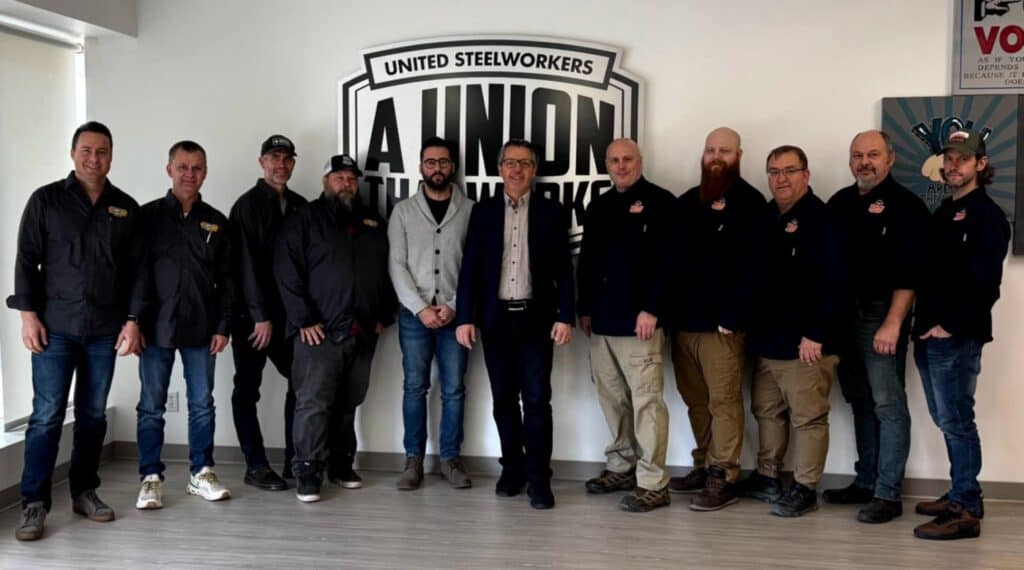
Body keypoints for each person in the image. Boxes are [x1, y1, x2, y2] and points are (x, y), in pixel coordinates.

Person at [10, 121, 145, 541]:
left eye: (102, 151)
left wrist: (133, 320)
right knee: (47, 415)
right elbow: (25, 261)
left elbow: (137, 272)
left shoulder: (125, 207)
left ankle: (85, 492)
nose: (94, 159)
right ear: (73, 154)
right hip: (55, 329)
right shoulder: (46, 201)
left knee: (91, 415)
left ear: (111, 156)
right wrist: (27, 315)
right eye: (86, 150)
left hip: (104, 330)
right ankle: (33, 503)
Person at [455, 139, 574, 510]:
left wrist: (565, 315)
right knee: (503, 400)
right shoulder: (483, 212)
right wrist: (464, 318)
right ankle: (513, 469)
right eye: (510, 162)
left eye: (524, 163)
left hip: (537, 321)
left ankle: (539, 478)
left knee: (537, 400)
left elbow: (563, 272)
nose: (517, 169)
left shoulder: (552, 212)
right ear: (500, 168)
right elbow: (470, 269)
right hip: (495, 321)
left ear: (534, 170)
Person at [275, 154, 396, 502]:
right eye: (339, 177)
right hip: (320, 333)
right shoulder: (304, 219)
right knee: (313, 403)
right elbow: (287, 272)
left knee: (349, 402)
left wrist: (382, 315)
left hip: (362, 331)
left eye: (351, 179)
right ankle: (308, 470)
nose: (346, 184)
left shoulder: (372, 221)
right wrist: (304, 320)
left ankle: (341, 464)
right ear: (326, 181)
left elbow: (389, 269)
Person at [824, 130, 929, 523]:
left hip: (881, 316)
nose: (864, 162)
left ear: (891, 158)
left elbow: (910, 275)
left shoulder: (907, 206)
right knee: (861, 403)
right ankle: (866, 481)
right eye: (857, 155)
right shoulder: (840, 202)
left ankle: (888, 493)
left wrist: (893, 323)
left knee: (888, 405)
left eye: (872, 154)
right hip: (844, 318)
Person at [911, 131, 1010, 540]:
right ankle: (962, 491)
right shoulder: (942, 213)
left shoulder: (987, 216)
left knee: (956, 421)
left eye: (963, 160)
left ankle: (965, 509)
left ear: (980, 165)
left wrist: (949, 324)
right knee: (945, 417)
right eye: (949, 159)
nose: (954, 166)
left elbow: (986, 285)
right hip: (928, 335)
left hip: (955, 336)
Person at [738, 145, 845, 518]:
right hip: (768, 340)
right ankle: (767, 476)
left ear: (806, 175)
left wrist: (816, 333)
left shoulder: (823, 220)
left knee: (808, 417)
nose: (780, 179)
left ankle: (805, 487)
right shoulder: (765, 217)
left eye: (789, 171)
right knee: (766, 411)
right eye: (773, 171)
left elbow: (833, 283)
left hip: (806, 343)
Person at [668, 127, 766, 511]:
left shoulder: (752, 203)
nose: (716, 156)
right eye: (710, 149)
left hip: (723, 327)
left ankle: (723, 475)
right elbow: (671, 264)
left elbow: (754, 268)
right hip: (685, 325)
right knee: (696, 401)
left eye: (724, 150)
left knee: (724, 403)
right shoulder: (688, 202)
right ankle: (704, 464)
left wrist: (734, 315)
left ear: (739, 154)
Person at [134, 140, 233, 510]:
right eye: (183, 167)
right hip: (154, 328)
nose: (190, 174)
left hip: (202, 329)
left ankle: (201, 472)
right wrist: (134, 322)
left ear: (205, 172)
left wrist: (223, 326)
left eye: (197, 168)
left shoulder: (217, 221)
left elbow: (228, 280)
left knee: (202, 404)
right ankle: (150, 478)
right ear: (169, 169)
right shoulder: (146, 218)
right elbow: (136, 275)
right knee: (151, 405)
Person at [577, 138, 674, 513]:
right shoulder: (598, 205)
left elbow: (669, 263)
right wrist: (585, 308)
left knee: (647, 404)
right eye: (614, 160)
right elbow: (587, 262)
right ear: (606, 163)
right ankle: (622, 466)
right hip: (601, 323)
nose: (620, 166)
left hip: (640, 325)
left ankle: (653, 483)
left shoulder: (661, 202)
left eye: (627, 159)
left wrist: (652, 308)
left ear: (640, 160)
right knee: (613, 401)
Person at [389, 137, 474, 490]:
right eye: (430, 162)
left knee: (454, 389)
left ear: (452, 166)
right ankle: (413, 461)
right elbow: (396, 265)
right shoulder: (403, 212)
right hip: (414, 317)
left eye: (443, 162)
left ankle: (451, 459)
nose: (436, 168)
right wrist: (421, 308)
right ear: (420, 166)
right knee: (414, 387)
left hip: (457, 315)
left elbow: (474, 265)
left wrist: (453, 305)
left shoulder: (470, 210)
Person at [229, 134, 307, 491]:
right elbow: (243, 266)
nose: (281, 165)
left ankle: (296, 459)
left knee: (302, 383)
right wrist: (260, 315)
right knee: (247, 390)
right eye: (274, 158)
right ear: (261, 162)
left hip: (290, 317)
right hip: (253, 318)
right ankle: (255, 465)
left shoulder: (301, 206)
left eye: (287, 158)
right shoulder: (246, 206)